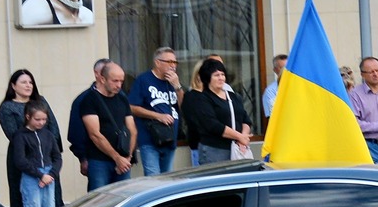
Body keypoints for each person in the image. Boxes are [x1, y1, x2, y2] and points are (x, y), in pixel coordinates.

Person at [0, 70, 57, 207]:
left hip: (47, 160)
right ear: (13, 86)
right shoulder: (7, 107)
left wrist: (51, 152)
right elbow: (14, 135)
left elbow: (53, 128)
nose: (28, 85)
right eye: (24, 82)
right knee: (27, 205)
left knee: (50, 203)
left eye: (30, 82)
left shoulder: (40, 101)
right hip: (23, 160)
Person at [72, 59, 137, 189]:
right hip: (99, 160)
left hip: (123, 159)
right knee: (99, 200)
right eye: (115, 81)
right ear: (102, 79)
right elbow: (95, 134)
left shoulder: (122, 98)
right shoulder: (89, 99)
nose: (119, 85)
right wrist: (117, 158)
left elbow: (132, 130)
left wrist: (127, 157)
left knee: (123, 199)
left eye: (121, 81)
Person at [182, 57, 253, 165]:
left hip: (237, 148)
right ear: (207, 78)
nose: (221, 78)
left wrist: (242, 139)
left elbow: (245, 119)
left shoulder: (233, 96)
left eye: (222, 74)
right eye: (216, 75)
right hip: (214, 150)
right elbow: (212, 125)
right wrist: (239, 137)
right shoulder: (202, 98)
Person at [128, 47, 182, 175]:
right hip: (150, 138)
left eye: (175, 62)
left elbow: (183, 106)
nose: (173, 66)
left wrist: (177, 86)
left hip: (170, 138)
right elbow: (131, 107)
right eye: (169, 62)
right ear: (157, 62)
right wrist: (158, 116)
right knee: (154, 178)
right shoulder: (144, 80)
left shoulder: (174, 82)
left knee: (167, 178)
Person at [7, 102, 61, 207]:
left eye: (44, 120)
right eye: (37, 119)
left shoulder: (48, 134)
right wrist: (40, 175)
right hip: (31, 176)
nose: (41, 123)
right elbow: (20, 160)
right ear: (27, 117)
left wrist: (51, 174)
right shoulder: (20, 135)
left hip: (49, 175)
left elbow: (57, 157)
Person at [261, 54, 287, 120]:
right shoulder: (270, 91)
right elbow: (273, 117)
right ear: (275, 70)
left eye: (287, 68)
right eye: (282, 68)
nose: (285, 71)